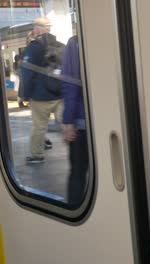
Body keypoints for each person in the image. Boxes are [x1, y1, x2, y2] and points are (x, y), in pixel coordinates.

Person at [22, 17, 65, 164]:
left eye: (34, 27)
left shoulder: (34, 47)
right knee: (66, 123)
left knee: (39, 126)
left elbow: (27, 73)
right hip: (59, 94)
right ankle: (81, 150)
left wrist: (25, 95)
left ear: (38, 29)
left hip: (40, 96)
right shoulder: (60, 45)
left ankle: (37, 155)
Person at [62, 35, 87, 205]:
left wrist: (68, 122)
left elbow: (71, 84)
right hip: (109, 122)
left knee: (77, 174)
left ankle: (74, 210)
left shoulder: (75, 43)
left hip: (82, 122)